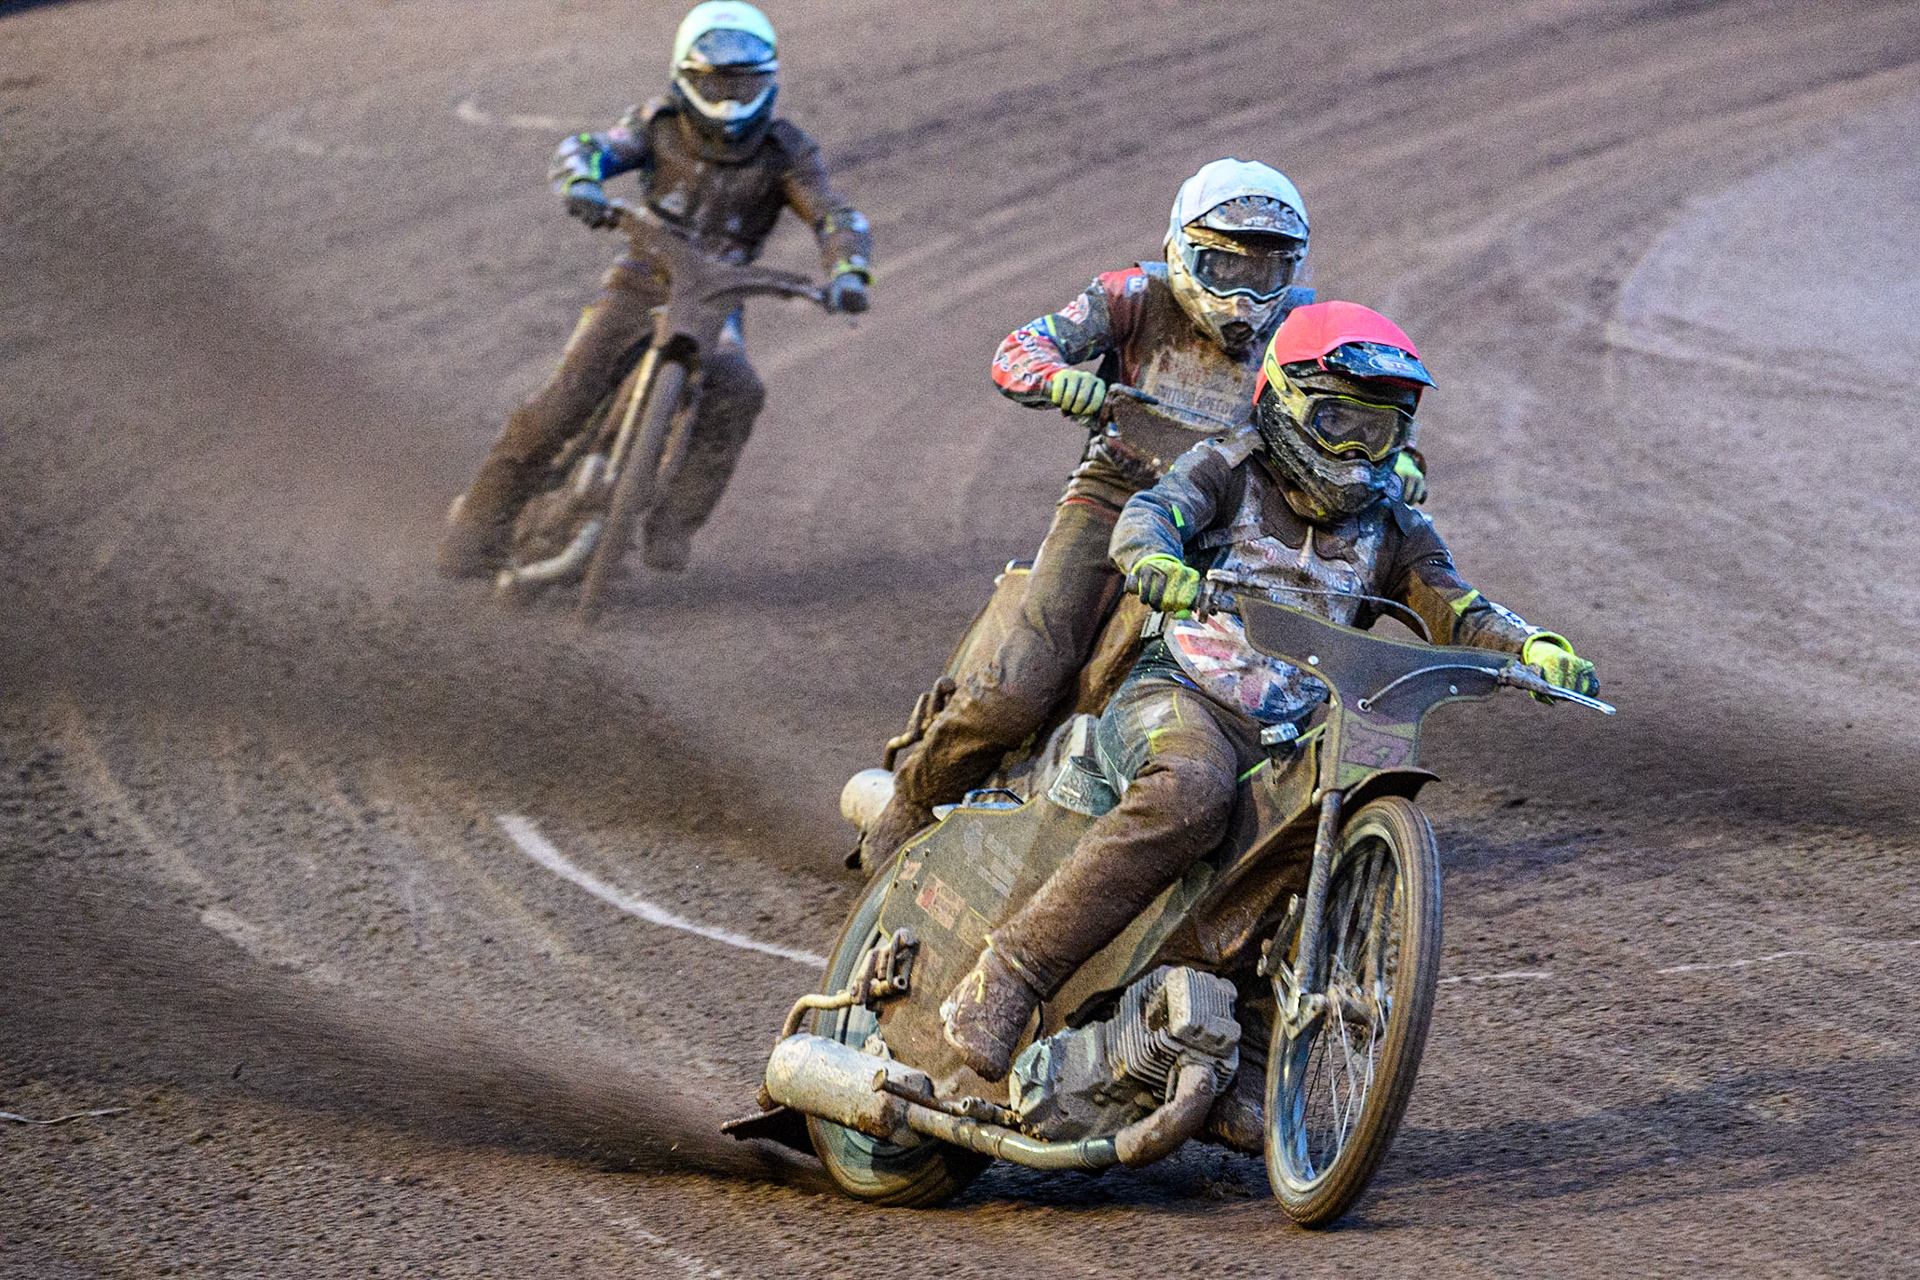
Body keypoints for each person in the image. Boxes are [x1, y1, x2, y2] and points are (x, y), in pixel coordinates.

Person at [940, 301, 1599, 1090]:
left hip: (1291, 732)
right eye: (1337, 422)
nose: (1358, 451)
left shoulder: (1396, 525)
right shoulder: (1227, 465)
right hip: (1179, 693)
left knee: (1322, 832)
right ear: (1284, 404)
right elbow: (1151, 515)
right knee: (1191, 790)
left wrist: (1531, 646)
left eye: (1379, 432)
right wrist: (1156, 562)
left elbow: (1456, 606)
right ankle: (1009, 973)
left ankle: (1250, 1058)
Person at [860, 160, 1427, 869]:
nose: (1246, 294)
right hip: (1117, 495)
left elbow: (1367, 414)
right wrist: (1059, 378)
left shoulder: (1306, 330)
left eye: (1267, 270)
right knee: (1025, 682)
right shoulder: (1131, 296)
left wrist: (1398, 463)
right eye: (1223, 267)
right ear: (1182, 252)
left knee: (1298, 673)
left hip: (1238, 517)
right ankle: (913, 799)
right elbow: (1020, 349)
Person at [438, 0, 873, 579]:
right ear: (684, 77)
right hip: (642, 279)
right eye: (714, 82)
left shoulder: (787, 152)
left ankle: (672, 524)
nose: (729, 99)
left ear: (769, 82)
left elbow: (834, 216)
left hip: (719, 299)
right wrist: (581, 184)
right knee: (558, 405)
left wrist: (848, 271)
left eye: (745, 83)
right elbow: (586, 148)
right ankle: (475, 534)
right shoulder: (658, 123)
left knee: (738, 390)